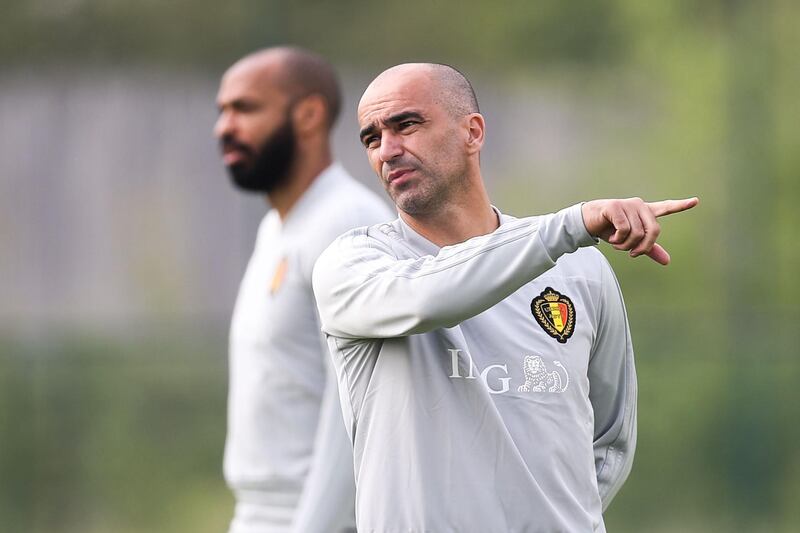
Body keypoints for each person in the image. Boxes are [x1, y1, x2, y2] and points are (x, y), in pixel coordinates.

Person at [312, 63, 698, 532]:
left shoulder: (580, 269)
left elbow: (610, 439)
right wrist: (574, 224)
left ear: (472, 132)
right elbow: (429, 297)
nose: (388, 151)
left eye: (406, 125)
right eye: (371, 139)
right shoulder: (354, 264)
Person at [214, 47, 392, 533]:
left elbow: (356, 408)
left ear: (309, 115)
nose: (223, 128)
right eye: (222, 111)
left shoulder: (348, 224)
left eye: (244, 108)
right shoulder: (279, 228)